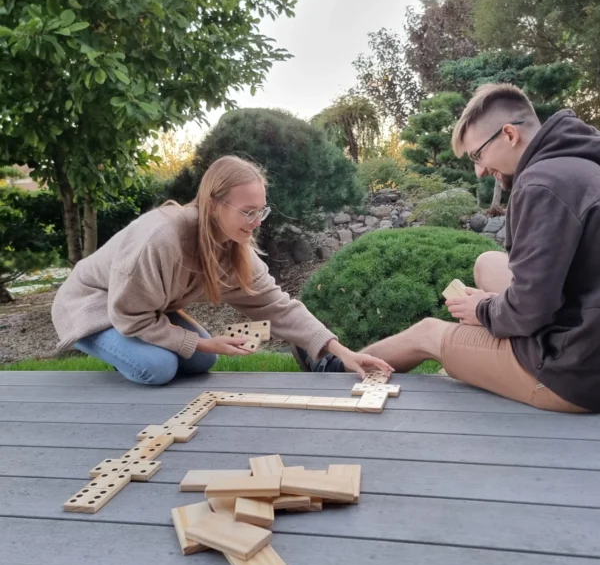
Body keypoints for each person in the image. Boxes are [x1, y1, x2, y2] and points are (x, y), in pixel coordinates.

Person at [292, 83, 600, 413]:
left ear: (509, 134)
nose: (480, 171)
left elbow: (531, 311)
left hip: (572, 373)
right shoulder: (580, 164)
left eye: (478, 155)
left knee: (426, 333)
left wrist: (483, 311)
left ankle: (336, 371)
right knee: (488, 262)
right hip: (583, 331)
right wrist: (499, 305)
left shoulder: (542, 184)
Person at [51, 155, 393, 385]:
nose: (256, 223)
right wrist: (202, 342)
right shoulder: (159, 239)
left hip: (145, 309)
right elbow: (129, 316)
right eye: (248, 212)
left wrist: (342, 352)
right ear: (214, 204)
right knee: (158, 368)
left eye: (262, 211)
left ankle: (142, 348)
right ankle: (112, 349)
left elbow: (277, 306)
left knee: (201, 364)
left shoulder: (234, 246)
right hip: (94, 307)